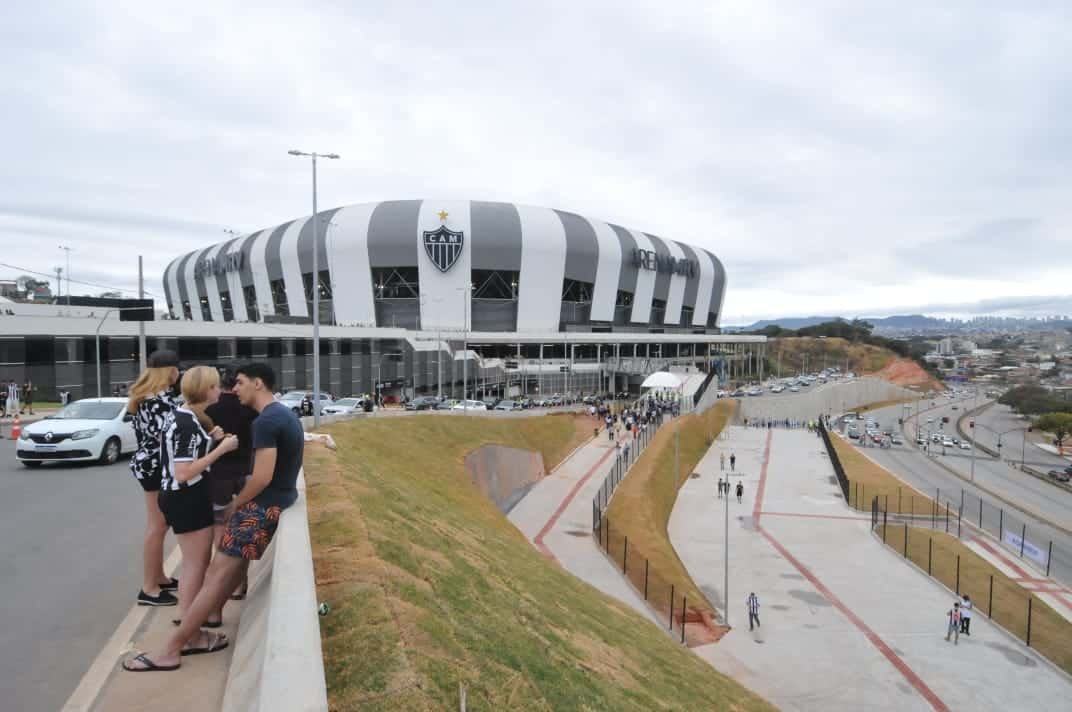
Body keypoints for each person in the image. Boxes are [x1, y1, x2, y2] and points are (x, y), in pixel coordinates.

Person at [125, 362, 304, 672]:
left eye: (241, 383)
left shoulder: (266, 422)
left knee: (214, 578)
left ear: (258, 384)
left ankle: (170, 649)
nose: (234, 389)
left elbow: (261, 477)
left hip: (260, 509)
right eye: (229, 384)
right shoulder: (282, 415)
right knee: (220, 576)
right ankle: (194, 633)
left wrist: (237, 505)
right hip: (275, 502)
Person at [158, 366, 238, 627]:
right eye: (215, 386)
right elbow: (183, 472)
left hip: (180, 496)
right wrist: (222, 449)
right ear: (206, 390)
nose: (220, 391)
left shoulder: (184, 416)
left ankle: (187, 619)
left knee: (195, 563)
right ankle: (188, 626)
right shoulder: (187, 425)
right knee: (195, 564)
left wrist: (210, 440)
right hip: (186, 497)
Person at [127, 350, 185, 606]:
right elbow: (168, 435)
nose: (179, 373)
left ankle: (159, 577)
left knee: (160, 525)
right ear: (169, 370)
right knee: (158, 526)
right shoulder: (157, 401)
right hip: (155, 467)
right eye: (177, 369)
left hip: (149, 464)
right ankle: (149, 589)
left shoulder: (149, 397)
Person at [205, 369, 259, 604]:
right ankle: (240, 584)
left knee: (220, 531)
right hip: (246, 472)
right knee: (242, 530)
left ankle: (219, 586)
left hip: (219, 477)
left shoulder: (210, 410)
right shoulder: (250, 409)